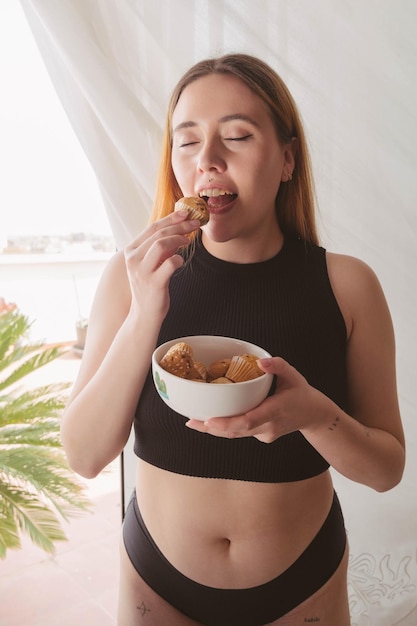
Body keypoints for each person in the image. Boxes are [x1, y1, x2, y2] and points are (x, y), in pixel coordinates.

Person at [60, 53, 405, 625]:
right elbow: (84, 454)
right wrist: (146, 312)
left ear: (288, 158)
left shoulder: (348, 286)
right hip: (159, 580)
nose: (208, 161)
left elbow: (386, 469)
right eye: (187, 142)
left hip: (304, 583)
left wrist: (315, 414)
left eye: (238, 136)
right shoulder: (131, 280)